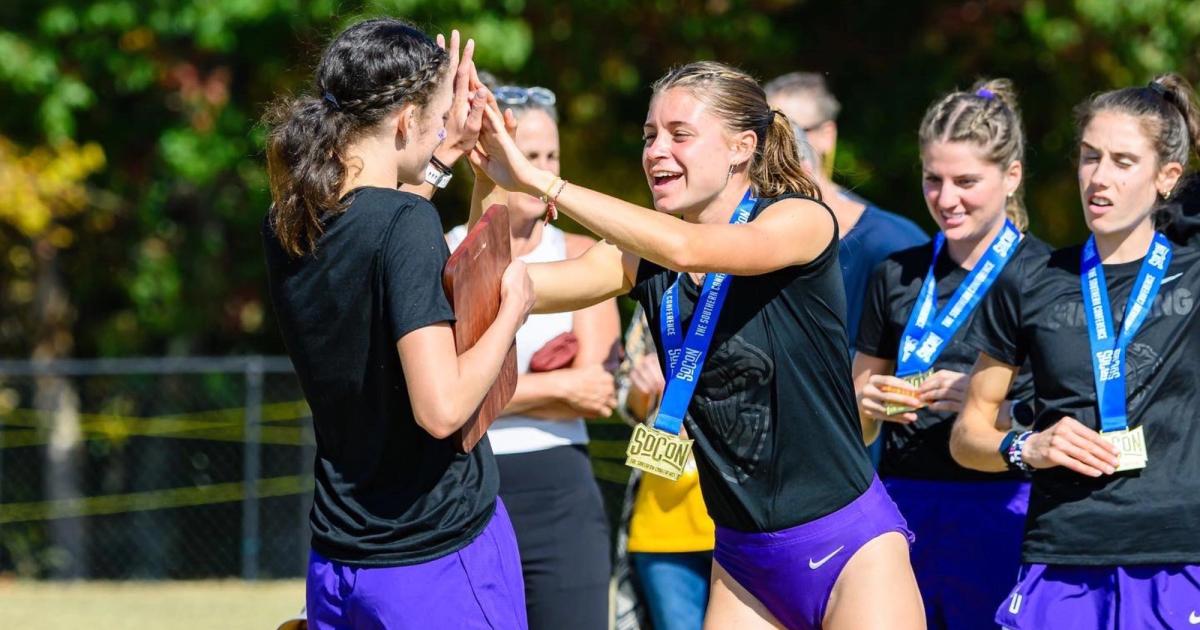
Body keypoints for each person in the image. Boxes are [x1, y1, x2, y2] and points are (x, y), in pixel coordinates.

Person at [471, 61, 923, 630]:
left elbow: (689, 249)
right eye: (649, 135)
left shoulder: (798, 219)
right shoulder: (640, 258)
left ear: (742, 146)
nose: (656, 150)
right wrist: (488, 172)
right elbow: (497, 289)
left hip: (849, 547)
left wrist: (542, 180)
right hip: (744, 563)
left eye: (679, 134)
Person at [261, 20, 533, 629]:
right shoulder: (403, 227)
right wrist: (511, 312)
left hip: (337, 565)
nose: (444, 127)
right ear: (406, 120)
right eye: (437, 117)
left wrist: (446, 159)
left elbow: (382, 232)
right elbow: (441, 409)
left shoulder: (288, 220)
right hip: (434, 560)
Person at [949, 74, 1200, 629]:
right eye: (1090, 157)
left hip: (1179, 553)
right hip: (1061, 553)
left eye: (1123, 161)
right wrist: (1029, 446)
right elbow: (968, 436)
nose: (1099, 179)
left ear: (1167, 178)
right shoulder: (1029, 279)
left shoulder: (1195, 270)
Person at [852, 79, 1049, 629]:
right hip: (899, 506)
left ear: (1011, 177)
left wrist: (987, 406)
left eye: (966, 181)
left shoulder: (1050, 278)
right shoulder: (895, 273)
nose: (945, 199)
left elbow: (1073, 418)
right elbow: (858, 427)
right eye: (932, 179)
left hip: (1005, 506)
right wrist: (868, 405)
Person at [447, 83, 618, 630]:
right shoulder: (445, 249)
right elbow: (438, 393)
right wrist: (555, 387)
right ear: (490, 157)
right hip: (466, 484)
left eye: (549, 157)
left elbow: (595, 391)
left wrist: (484, 390)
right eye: (525, 155)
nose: (536, 170)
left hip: (561, 489)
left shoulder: (581, 254)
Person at [765, 72, 928, 345]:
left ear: (827, 134)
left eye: (790, 129)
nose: (778, 145)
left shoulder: (893, 240)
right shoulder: (744, 230)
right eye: (766, 131)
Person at [612, 304, 716, 630]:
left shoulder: (762, 282)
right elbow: (625, 398)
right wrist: (642, 389)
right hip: (663, 523)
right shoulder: (660, 294)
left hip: (747, 523)